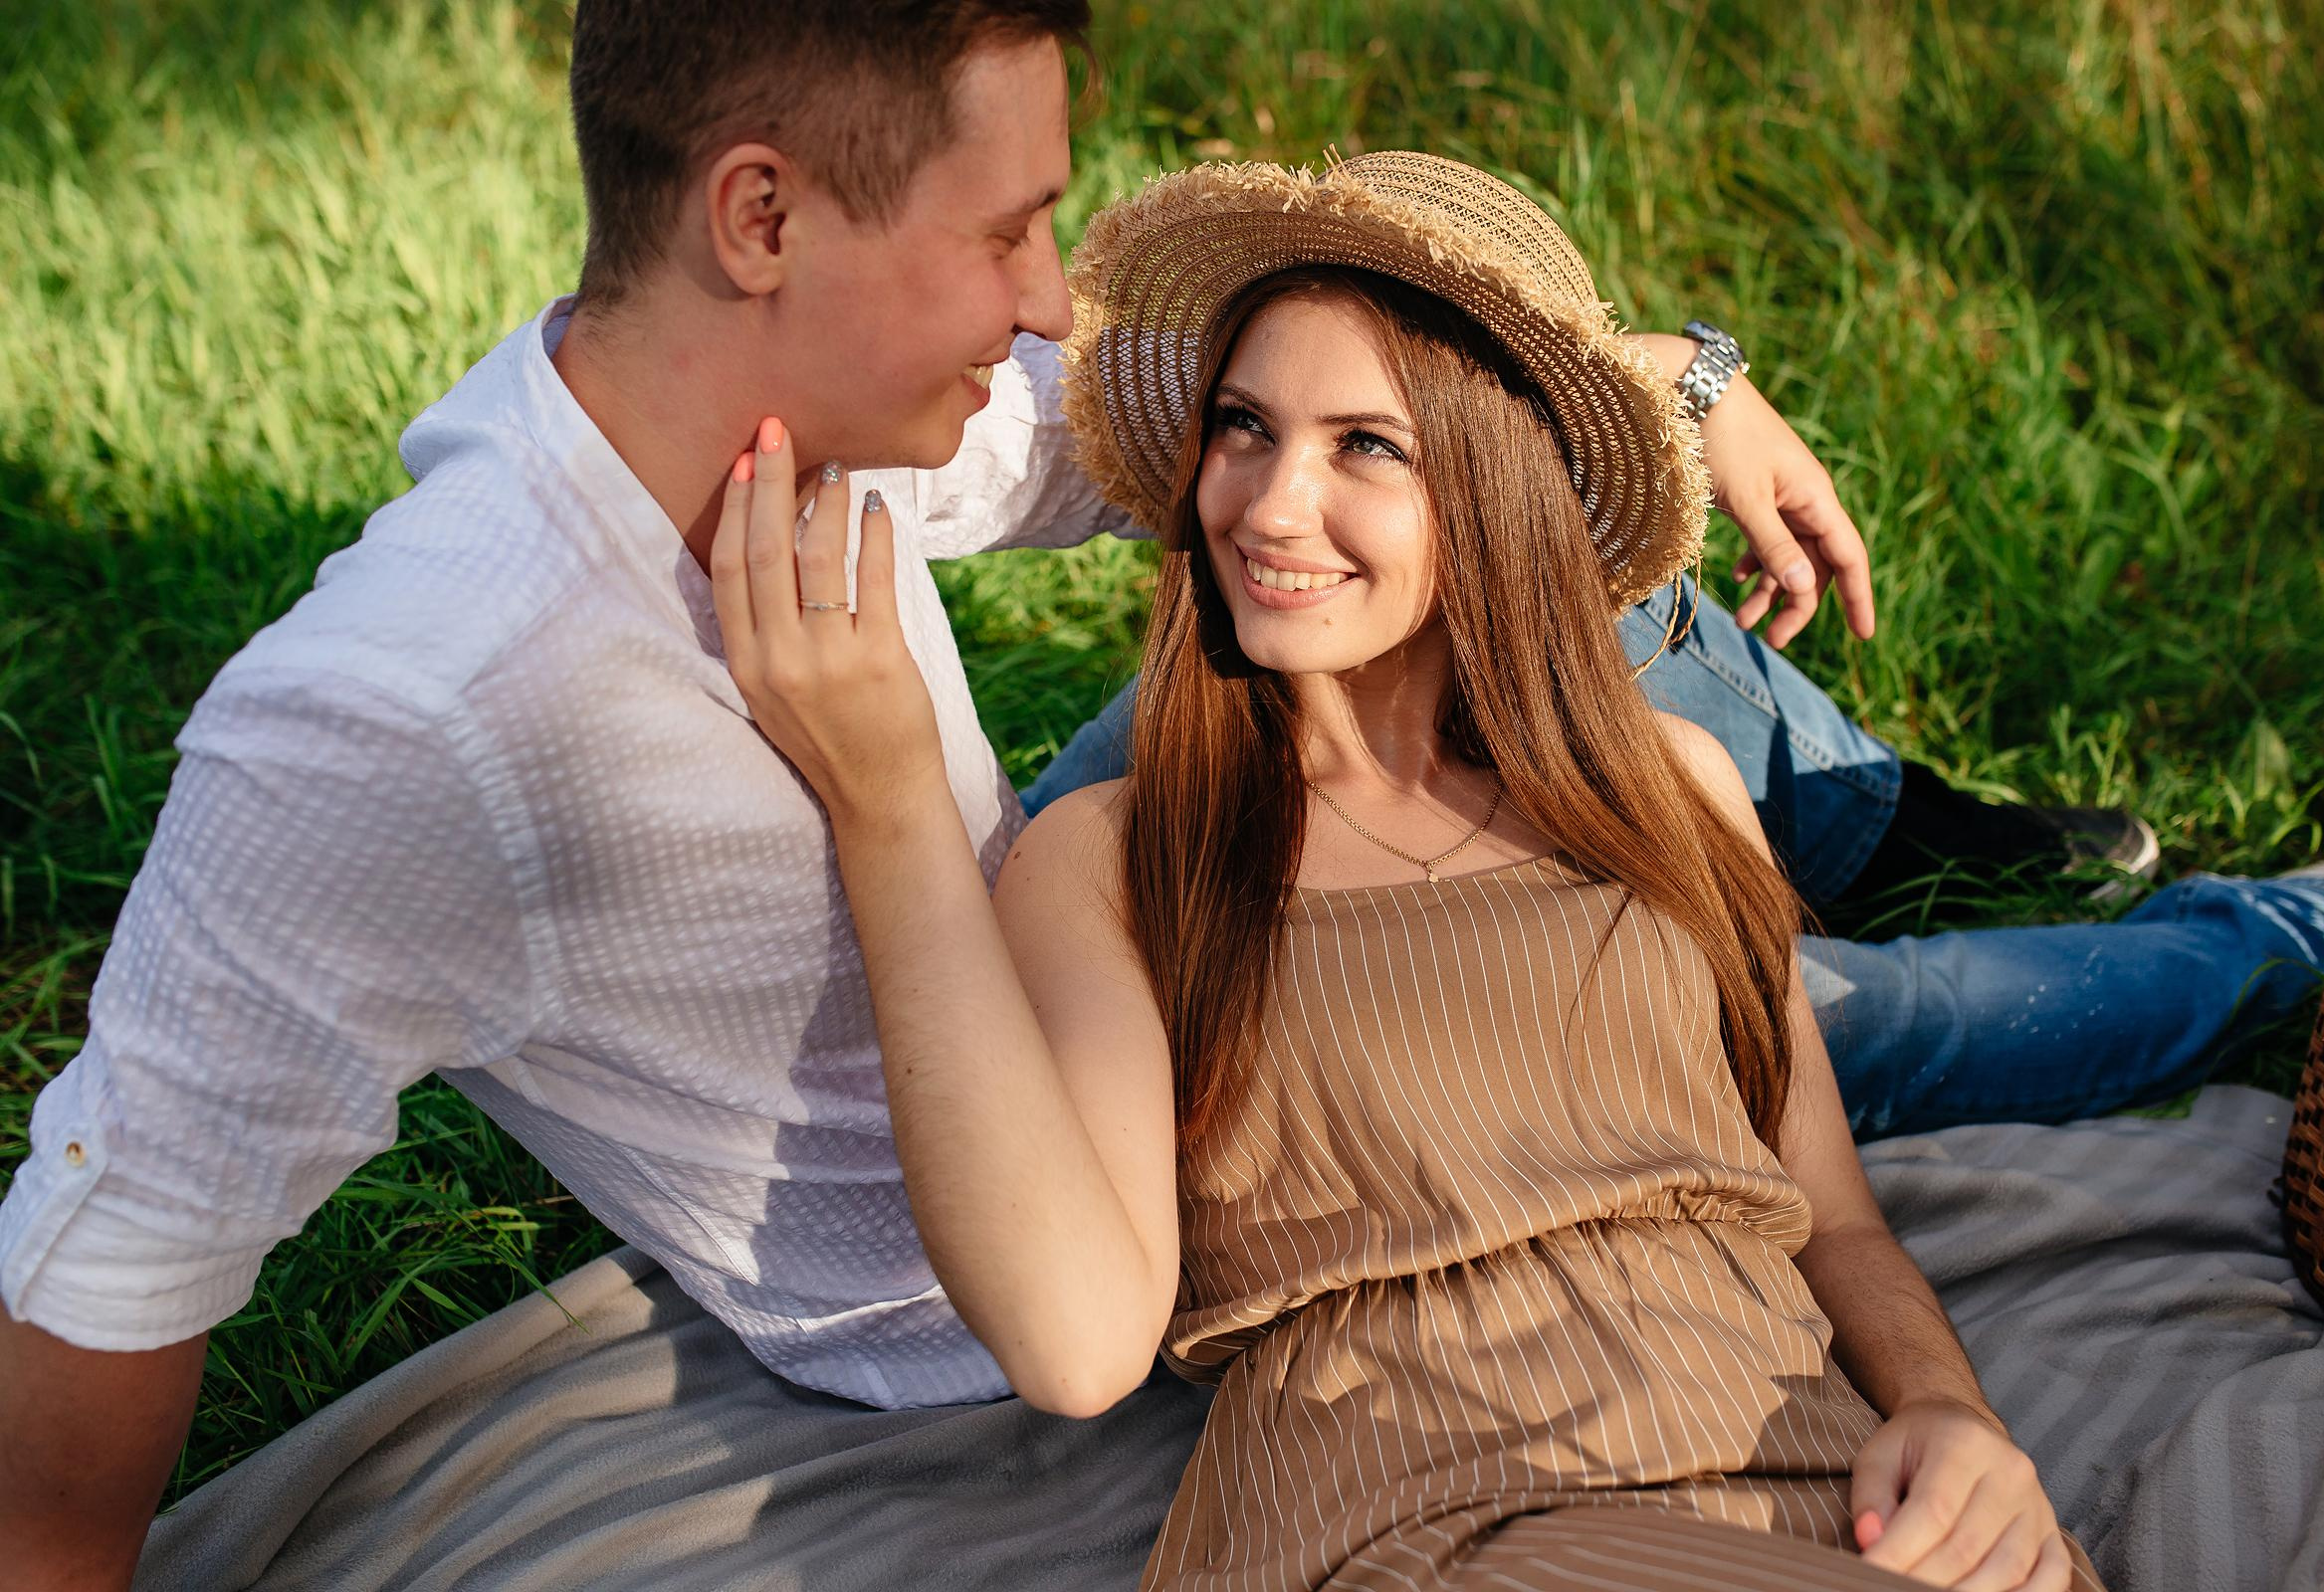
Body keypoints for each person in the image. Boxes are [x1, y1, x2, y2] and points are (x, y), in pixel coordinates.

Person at [0, 6, 1922, 1586]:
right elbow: (114, 1237)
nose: (1044, 305)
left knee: (1560, 714)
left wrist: (1670, 380)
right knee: (1901, 1027)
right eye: (1009, 232)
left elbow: (1249, 440)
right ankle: (2216, 936)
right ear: (762, 219)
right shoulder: (398, 722)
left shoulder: (831, 411)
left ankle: (1850, 801)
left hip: (1088, 956)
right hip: (1057, 1210)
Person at [706, 151, 2114, 1589]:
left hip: (1817, 1500)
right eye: (1243, 428)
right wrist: (889, 815)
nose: (1265, 507)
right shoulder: (1129, 858)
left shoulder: (1671, 794)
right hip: (1420, 1529)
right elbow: (1076, 1347)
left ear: (1493, 490)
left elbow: (1836, 1220)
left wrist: (1949, 1412)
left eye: (1365, 447)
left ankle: (2285, 927)